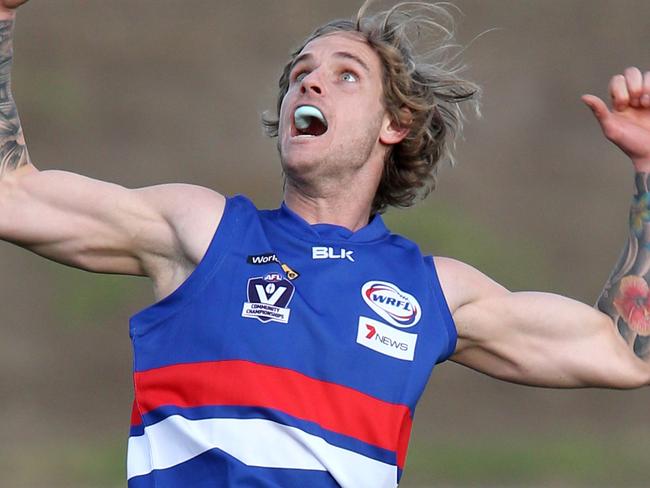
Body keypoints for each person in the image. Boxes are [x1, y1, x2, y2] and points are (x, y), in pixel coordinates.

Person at [1, 0, 649, 487]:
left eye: (344, 76)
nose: (307, 84)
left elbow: (626, 353)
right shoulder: (202, 234)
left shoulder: (432, 293)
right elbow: (13, 196)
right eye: (299, 75)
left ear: (396, 122)